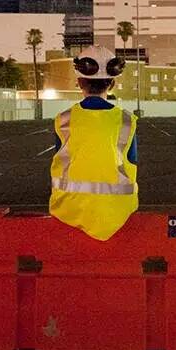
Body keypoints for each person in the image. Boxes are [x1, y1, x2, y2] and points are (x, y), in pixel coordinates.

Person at [49, 46, 139, 241]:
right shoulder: (127, 121)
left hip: (68, 208)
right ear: (112, 83)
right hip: (118, 209)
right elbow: (132, 161)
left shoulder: (63, 120)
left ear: (79, 82)